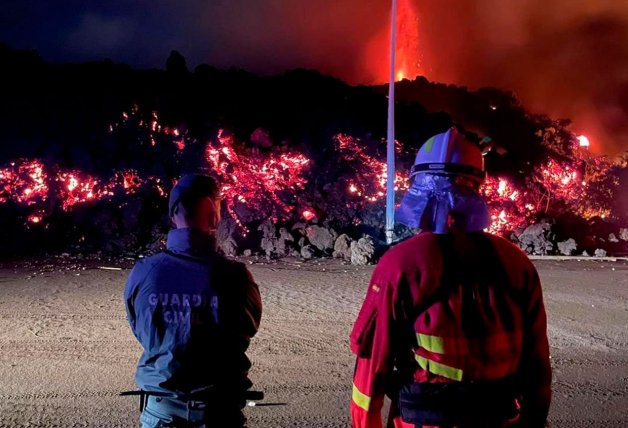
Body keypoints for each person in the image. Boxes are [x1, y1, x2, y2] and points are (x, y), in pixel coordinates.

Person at [349, 128, 552, 428]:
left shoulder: (400, 265)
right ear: (477, 188)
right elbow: (537, 367)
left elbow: (371, 370)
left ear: (419, 187)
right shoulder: (516, 263)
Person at [124, 173, 262, 428]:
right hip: (219, 413)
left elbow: (140, 329)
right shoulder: (236, 277)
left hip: (160, 412)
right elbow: (247, 329)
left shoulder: (144, 273)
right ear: (213, 214)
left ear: (173, 214)